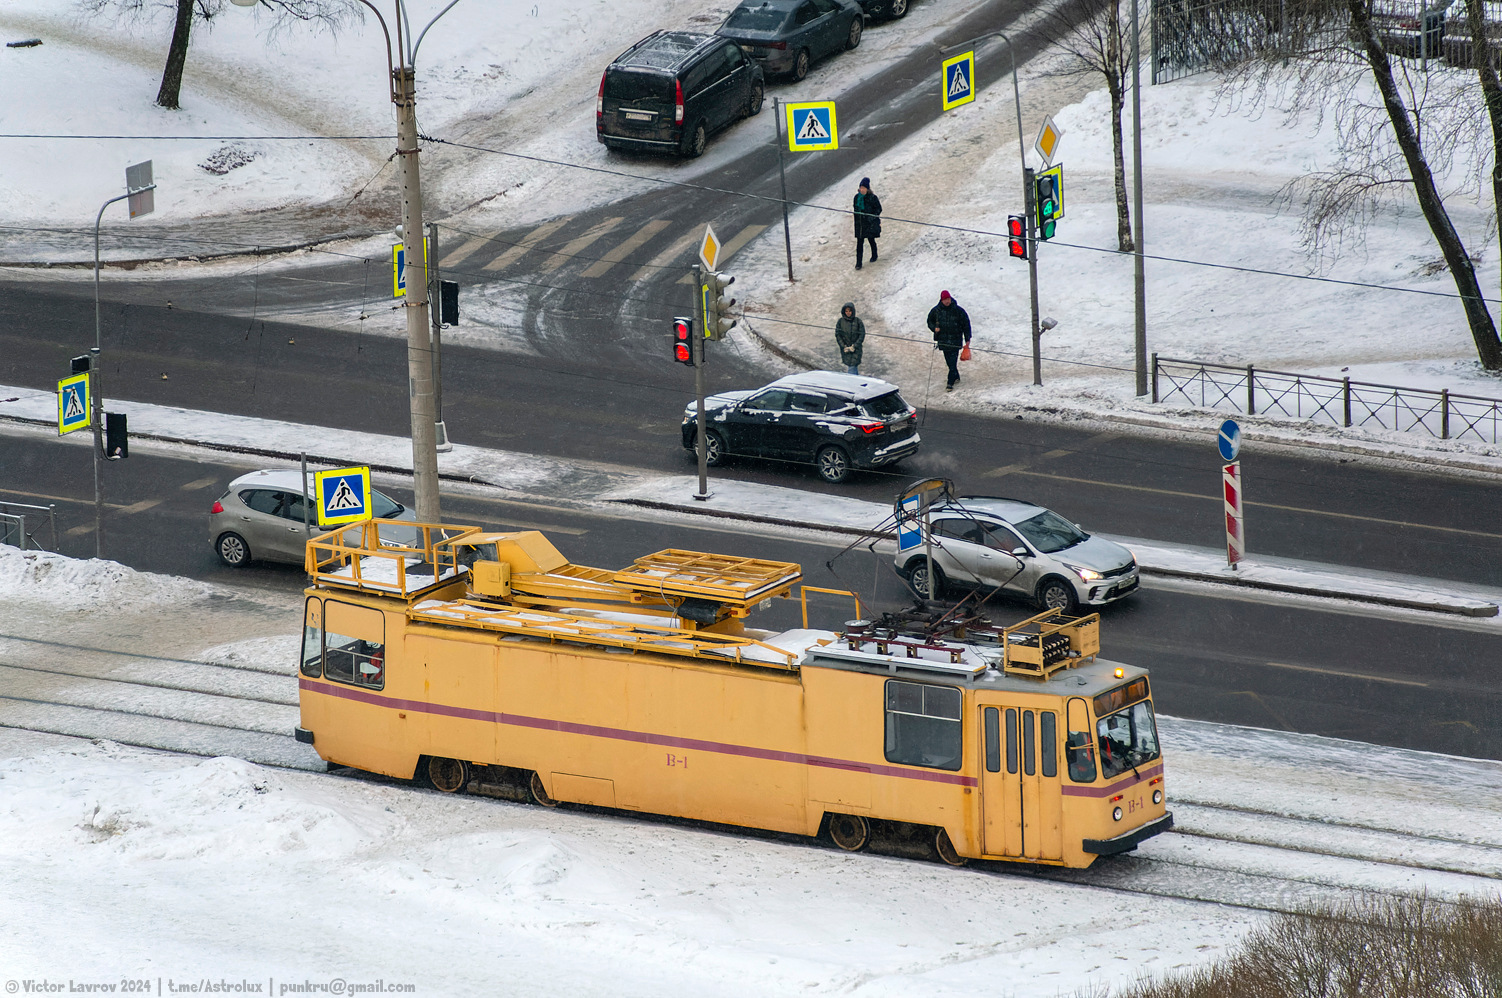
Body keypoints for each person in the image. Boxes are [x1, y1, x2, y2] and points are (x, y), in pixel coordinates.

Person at [927, 290, 971, 391]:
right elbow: (929, 321)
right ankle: (955, 375)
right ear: (941, 300)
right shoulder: (936, 311)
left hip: (955, 341)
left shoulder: (958, 311)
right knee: (949, 362)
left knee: (952, 361)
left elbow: (966, 325)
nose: (947, 301)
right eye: (945, 299)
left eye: (948, 299)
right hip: (943, 341)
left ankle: (950, 382)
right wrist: (934, 328)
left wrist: (967, 339)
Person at [853, 178, 882, 270]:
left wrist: (871, 216)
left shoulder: (873, 198)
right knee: (859, 244)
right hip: (860, 225)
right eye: (861, 188)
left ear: (867, 189)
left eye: (864, 188)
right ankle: (858, 263)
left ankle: (874, 255)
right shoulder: (856, 198)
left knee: (871, 240)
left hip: (869, 224)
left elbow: (878, 209)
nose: (862, 189)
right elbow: (855, 209)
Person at [835, 302, 865, 375]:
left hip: (856, 349)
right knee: (851, 366)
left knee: (852, 366)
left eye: (850, 311)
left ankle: (852, 382)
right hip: (846, 349)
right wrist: (843, 346)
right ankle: (855, 381)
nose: (848, 313)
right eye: (846, 311)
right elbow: (838, 335)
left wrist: (854, 346)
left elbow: (862, 335)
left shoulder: (858, 321)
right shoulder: (840, 322)